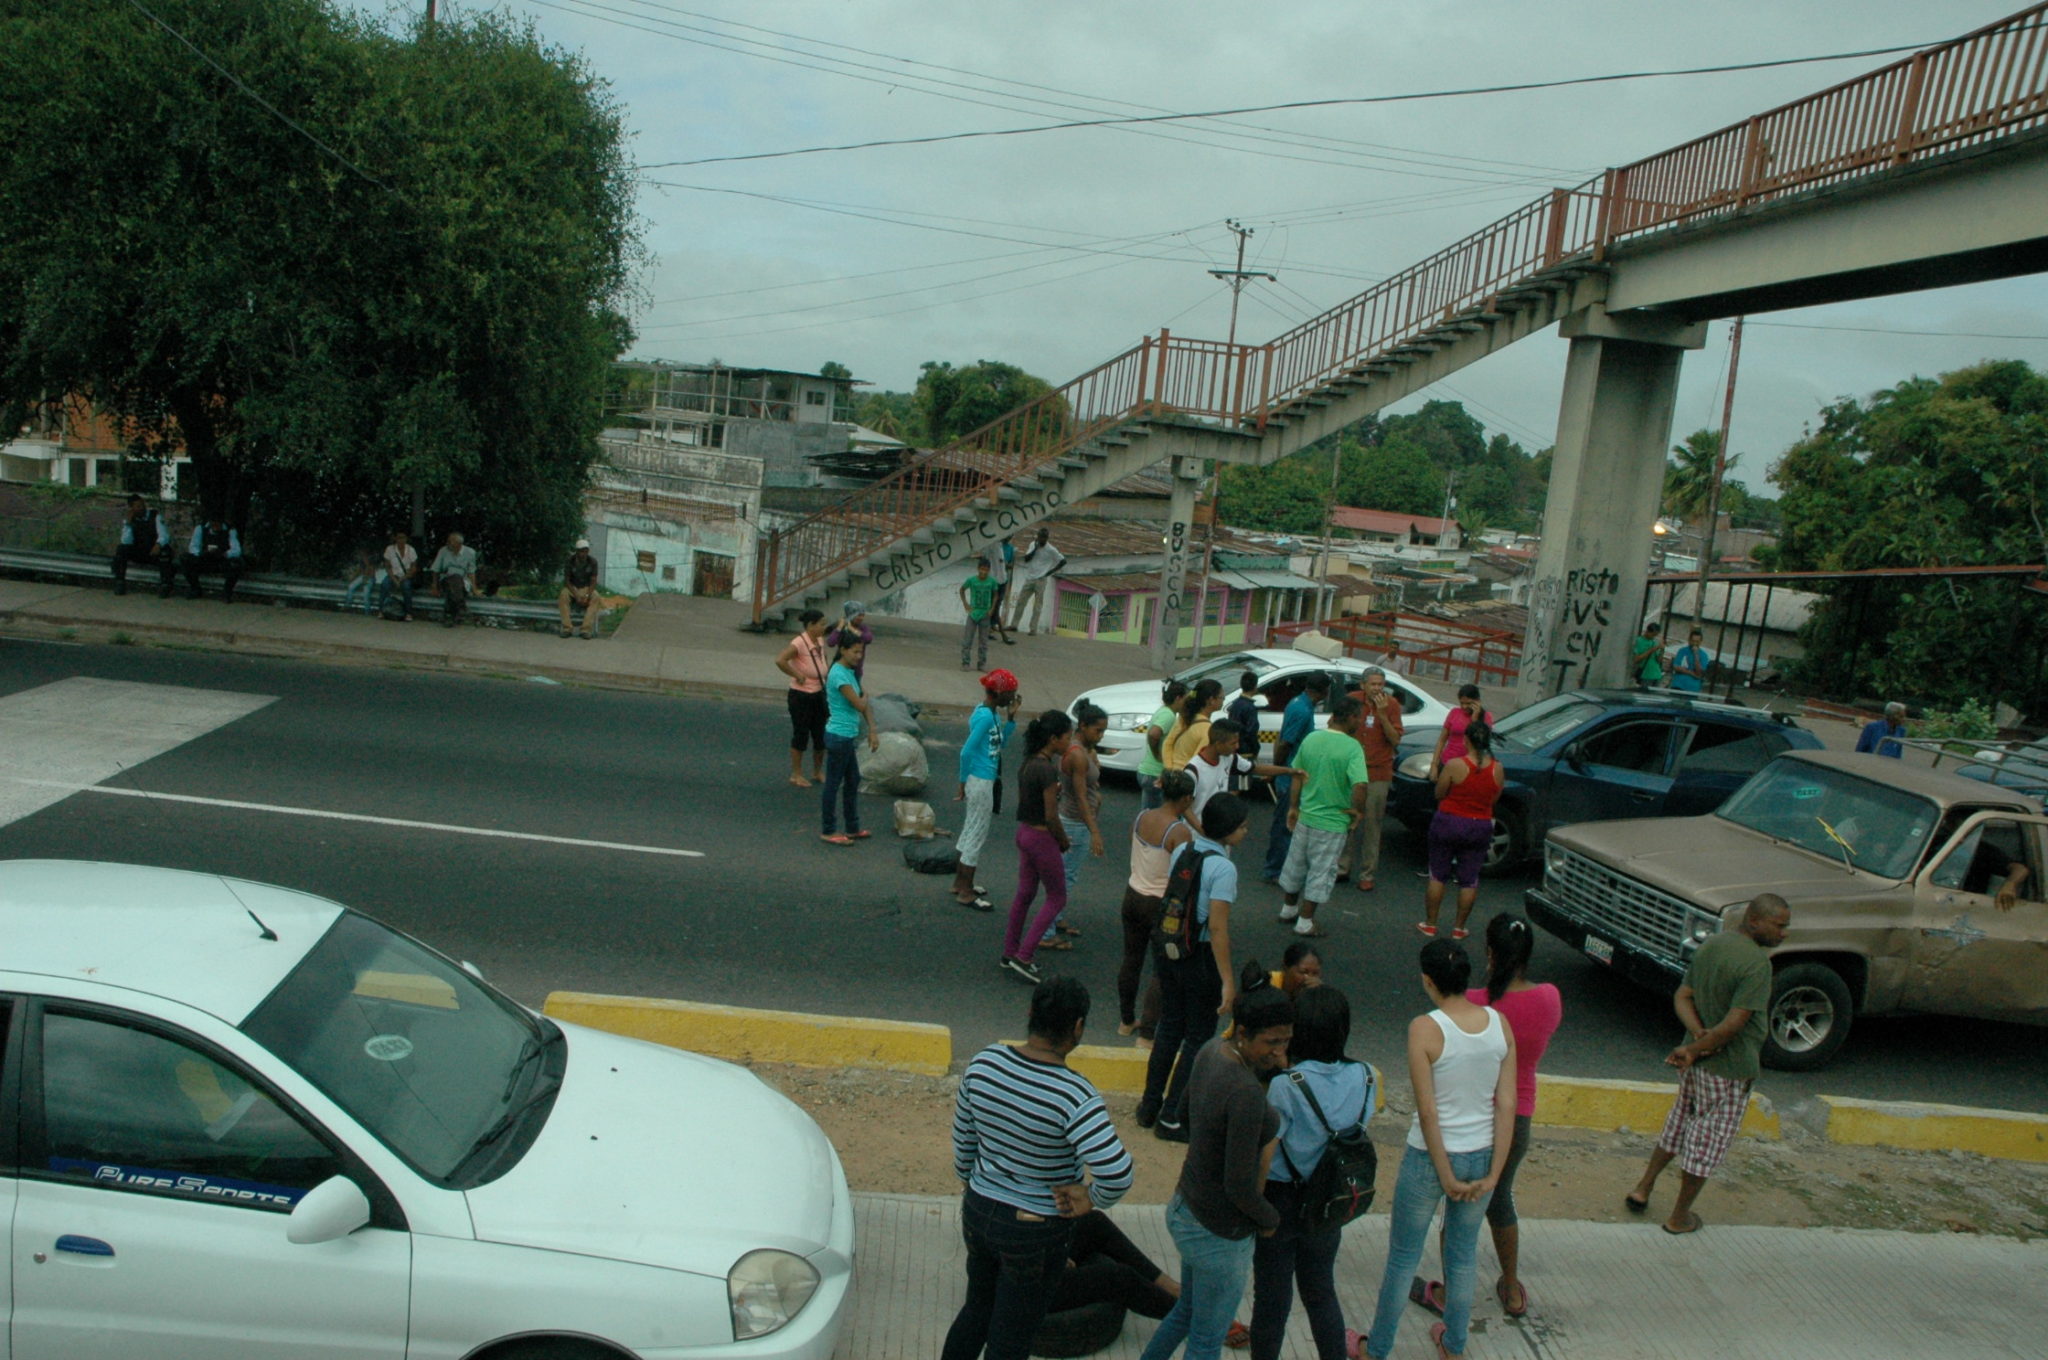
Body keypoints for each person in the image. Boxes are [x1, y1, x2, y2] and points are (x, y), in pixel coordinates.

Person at [942, 977, 1135, 1360]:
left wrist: (974, 1184)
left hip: (978, 1211)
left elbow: (964, 1144)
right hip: (1035, 1229)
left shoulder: (984, 1063)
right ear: (1077, 1027)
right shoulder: (1074, 1095)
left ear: (1031, 1014)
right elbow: (1117, 1172)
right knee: (1011, 1337)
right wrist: (1091, 1199)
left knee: (976, 1309)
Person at [1362, 941, 1515, 1360]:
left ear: (1428, 981)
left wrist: (1445, 1174)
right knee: (1463, 1256)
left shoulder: (1424, 1028)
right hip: (1482, 1154)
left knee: (1402, 1259)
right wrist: (1494, 1174)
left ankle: (1377, 1349)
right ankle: (1454, 1345)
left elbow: (1427, 1111)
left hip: (1430, 1158)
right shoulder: (1499, 1024)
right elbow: (1506, 1103)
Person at [1138, 964, 1292, 1360]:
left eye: (1286, 1042)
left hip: (1186, 1209)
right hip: (1219, 1234)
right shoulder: (1244, 1092)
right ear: (1243, 1034)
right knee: (1206, 1342)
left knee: (1185, 1312)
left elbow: (1185, 1116)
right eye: (1271, 1043)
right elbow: (1239, 1186)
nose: (1281, 1054)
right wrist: (1270, 1219)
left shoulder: (1210, 1050)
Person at [1627, 894, 1789, 1236]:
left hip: (1694, 1063)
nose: (1784, 933)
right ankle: (1679, 1217)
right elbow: (1734, 1025)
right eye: (1780, 925)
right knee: (1707, 1144)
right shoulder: (1758, 965)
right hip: (1729, 1069)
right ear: (1756, 921)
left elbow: (1682, 996)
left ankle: (1643, 1188)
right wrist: (1702, 1046)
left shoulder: (1712, 945)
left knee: (1677, 1125)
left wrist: (1694, 1041)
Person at [1251, 984, 1371, 1360]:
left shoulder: (1286, 1086)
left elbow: (1265, 1154)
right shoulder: (1365, 1076)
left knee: (1272, 1300)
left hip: (1282, 1198)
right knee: (1321, 1292)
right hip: (1331, 1196)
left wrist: (1255, 1210)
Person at [1137, 793, 1252, 1143]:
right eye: (1243, 826)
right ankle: (1172, 1116)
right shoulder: (1223, 868)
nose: (1246, 831)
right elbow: (1217, 928)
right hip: (1199, 956)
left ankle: (1148, 1106)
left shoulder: (1185, 851)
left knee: (1169, 1028)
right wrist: (1228, 981)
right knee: (1198, 1037)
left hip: (1170, 952)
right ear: (1229, 830)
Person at [1464, 915, 1561, 1321]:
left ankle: (1454, 1283)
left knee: (1462, 1200)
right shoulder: (1550, 998)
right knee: (1499, 1199)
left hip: (1471, 1116)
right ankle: (1510, 1282)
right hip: (1518, 1115)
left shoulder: (1472, 1003)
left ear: (1489, 953)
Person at [1277, 697, 1369, 941]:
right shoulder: (1353, 748)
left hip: (1306, 815)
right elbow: (1360, 785)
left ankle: (1288, 910)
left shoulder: (1312, 738)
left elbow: (1298, 774)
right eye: (1359, 717)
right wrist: (1357, 811)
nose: (1360, 722)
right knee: (1321, 870)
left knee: (1296, 862)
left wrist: (1294, 806)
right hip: (1333, 821)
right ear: (1350, 718)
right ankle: (1305, 922)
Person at [1121, 771, 1198, 1044]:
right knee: (1161, 968)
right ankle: (1147, 1033)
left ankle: (1126, 1020)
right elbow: (1183, 876)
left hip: (1132, 894)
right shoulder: (1179, 831)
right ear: (1187, 798)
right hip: (1158, 903)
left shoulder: (1142, 816)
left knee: (1131, 958)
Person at [1001, 710, 1076, 985]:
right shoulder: (1047, 770)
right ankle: (1025, 955)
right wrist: (1062, 839)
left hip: (1024, 833)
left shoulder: (1029, 763)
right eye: (1067, 737)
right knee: (1057, 897)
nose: (1069, 742)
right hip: (1043, 838)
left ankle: (1010, 951)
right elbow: (1051, 814)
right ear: (1054, 738)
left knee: (1025, 894)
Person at [1423, 720, 1502, 940]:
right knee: (1469, 878)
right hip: (1480, 824)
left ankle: (1430, 924)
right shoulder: (1497, 768)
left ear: (1466, 740)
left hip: (1449, 821)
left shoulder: (1456, 765)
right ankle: (1459, 927)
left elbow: (1439, 792)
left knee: (1438, 874)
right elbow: (1494, 798)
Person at [953, 668, 1021, 912]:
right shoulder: (984, 717)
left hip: (984, 779)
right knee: (977, 834)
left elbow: (999, 743)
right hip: (980, 781)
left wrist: (1011, 720)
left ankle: (959, 882)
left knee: (970, 828)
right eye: (1011, 694)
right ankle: (966, 891)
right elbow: (966, 751)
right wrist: (962, 783)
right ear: (999, 693)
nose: (1013, 698)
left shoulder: (991, 714)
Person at [1337, 668, 1405, 893]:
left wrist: (1383, 715)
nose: (1377, 688)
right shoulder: (1352, 702)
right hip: (1352, 772)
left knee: (1372, 825)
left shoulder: (1392, 705)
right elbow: (1338, 728)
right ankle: (1341, 867)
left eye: (1381, 684)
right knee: (1346, 820)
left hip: (1377, 773)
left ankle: (1367, 873)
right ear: (1363, 685)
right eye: (1373, 684)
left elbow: (1395, 740)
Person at [1047, 1210, 1179, 1322]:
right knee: (1119, 1277)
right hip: (1031, 1286)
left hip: (1036, 1252)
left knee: (1094, 1222)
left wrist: (1053, 1251)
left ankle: (1171, 1288)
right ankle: (1189, 1316)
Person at [1052, 701, 1109, 943]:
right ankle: (1047, 930)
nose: (1101, 735)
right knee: (1064, 877)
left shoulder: (1084, 750)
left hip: (1076, 821)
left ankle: (1057, 919)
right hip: (1075, 823)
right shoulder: (1076, 754)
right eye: (1097, 730)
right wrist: (1094, 831)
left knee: (1067, 875)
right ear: (1083, 726)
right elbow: (1081, 797)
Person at [1262, 674, 1327, 881]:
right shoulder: (1302, 710)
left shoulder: (1298, 703)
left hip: (1291, 773)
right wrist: (1277, 769)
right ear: (1323, 691)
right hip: (1290, 775)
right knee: (1284, 825)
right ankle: (1275, 871)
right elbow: (1286, 742)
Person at [819, 633, 879, 845]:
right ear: (842, 650)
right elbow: (860, 704)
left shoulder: (849, 672)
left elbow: (864, 703)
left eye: (860, 651)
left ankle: (852, 827)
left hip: (847, 736)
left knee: (852, 780)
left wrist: (872, 729)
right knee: (833, 785)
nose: (858, 655)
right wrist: (865, 697)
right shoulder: (838, 674)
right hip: (839, 737)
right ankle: (828, 830)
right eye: (855, 651)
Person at [1186, 719, 1299, 824]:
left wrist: (1290, 771)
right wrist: (1201, 831)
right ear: (1218, 744)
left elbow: (1256, 768)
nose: (1237, 746)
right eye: (1233, 743)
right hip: (1197, 836)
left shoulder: (1230, 758)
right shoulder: (1193, 770)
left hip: (1219, 832)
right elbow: (1184, 808)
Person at [775, 608, 832, 788]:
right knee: (801, 733)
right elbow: (780, 660)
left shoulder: (820, 641)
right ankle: (796, 774)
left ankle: (817, 771)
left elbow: (824, 659)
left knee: (820, 734)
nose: (824, 627)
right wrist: (797, 675)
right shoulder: (799, 643)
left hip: (819, 694)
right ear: (810, 625)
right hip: (801, 696)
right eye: (821, 624)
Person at [110, 495, 176, 598]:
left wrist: (158, 544)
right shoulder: (129, 521)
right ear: (132, 508)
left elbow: (164, 535)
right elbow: (126, 541)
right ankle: (120, 583)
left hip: (154, 550)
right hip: (140, 551)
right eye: (138, 506)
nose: (142, 508)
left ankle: (166, 585)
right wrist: (128, 524)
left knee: (165, 551)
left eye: (143, 505)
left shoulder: (155, 516)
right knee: (121, 549)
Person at [1140, 679, 1190, 809]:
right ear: (1178, 698)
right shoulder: (1169, 716)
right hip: (1155, 772)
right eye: (1186, 698)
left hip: (1148, 771)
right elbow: (1153, 734)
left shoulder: (1163, 711)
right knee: (1154, 815)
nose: (1187, 702)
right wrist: (1157, 753)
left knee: (1148, 812)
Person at [1010, 527, 1067, 636]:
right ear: (1038, 536)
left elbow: (1063, 561)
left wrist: (1049, 572)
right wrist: (1035, 549)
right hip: (1030, 578)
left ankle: (1033, 629)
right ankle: (1014, 625)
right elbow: (1026, 558)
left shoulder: (1051, 550)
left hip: (1041, 579)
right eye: (1040, 537)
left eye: (1044, 537)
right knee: (1021, 601)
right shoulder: (1032, 545)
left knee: (1037, 605)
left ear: (1047, 538)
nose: (1042, 539)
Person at [1428, 686, 1492, 780]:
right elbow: (1442, 740)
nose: (1464, 707)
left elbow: (1481, 742)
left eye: (1468, 703)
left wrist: (1475, 719)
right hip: (1447, 761)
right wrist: (1434, 764)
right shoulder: (1454, 712)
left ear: (1477, 701)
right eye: (1461, 703)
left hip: (1469, 766)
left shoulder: (1486, 717)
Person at [1164, 679, 1226, 773]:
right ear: (1211, 700)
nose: (1223, 700)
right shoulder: (1208, 730)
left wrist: (1169, 769)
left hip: (1172, 775)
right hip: (1186, 780)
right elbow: (1198, 762)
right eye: (1222, 698)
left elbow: (1167, 744)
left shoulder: (1183, 718)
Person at [180, 519, 244, 602]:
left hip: (222, 561)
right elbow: (193, 547)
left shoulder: (230, 530)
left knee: (236, 564)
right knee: (185, 559)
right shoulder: (201, 528)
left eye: (217, 522)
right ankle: (195, 589)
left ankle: (227, 592)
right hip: (205, 560)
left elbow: (237, 550)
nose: (215, 525)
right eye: (213, 522)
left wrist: (224, 554)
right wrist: (201, 553)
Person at [1224, 672, 1263, 793]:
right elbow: (1251, 731)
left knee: (1233, 783)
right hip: (1245, 752)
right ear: (1255, 687)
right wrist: (1255, 749)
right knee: (1239, 786)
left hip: (1234, 749)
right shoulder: (1250, 708)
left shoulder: (1235, 704)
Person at [959, 557, 1000, 670]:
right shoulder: (972, 580)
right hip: (973, 613)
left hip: (985, 614)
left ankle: (981, 663)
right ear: (978, 569)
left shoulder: (992, 581)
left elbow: (996, 595)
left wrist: (992, 608)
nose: (983, 572)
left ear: (989, 570)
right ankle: (965, 662)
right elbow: (962, 589)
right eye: (981, 569)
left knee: (983, 641)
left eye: (986, 570)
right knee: (968, 639)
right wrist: (965, 604)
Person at [429, 531, 477, 627]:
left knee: (455, 584)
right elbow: (436, 569)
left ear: (458, 543)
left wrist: (474, 588)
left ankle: (450, 615)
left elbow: (471, 571)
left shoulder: (470, 552)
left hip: (463, 580)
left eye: (450, 541)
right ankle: (461, 607)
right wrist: (434, 586)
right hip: (446, 578)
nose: (448, 543)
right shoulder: (443, 551)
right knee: (454, 579)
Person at [559, 538, 602, 639]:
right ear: (577, 552)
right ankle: (567, 628)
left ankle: (585, 629)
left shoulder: (593, 562)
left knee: (596, 597)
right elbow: (567, 581)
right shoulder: (570, 561)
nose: (583, 554)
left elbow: (593, 580)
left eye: (585, 551)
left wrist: (587, 595)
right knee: (563, 596)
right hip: (572, 588)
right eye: (581, 551)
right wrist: (576, 595)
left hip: (586, 588)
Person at [826, 601, 874, 679]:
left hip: (856, 670)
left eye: (863, 615)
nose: (861, 618)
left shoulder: (863, 628)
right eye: (858, 615)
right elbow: (830, 642)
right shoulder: (842, 628)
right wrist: (839, 627)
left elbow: (868, 638)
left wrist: (852, 629)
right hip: (841, 668)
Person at [379, 529, 419, 621]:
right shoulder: (390, 549)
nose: (401, 540)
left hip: (406, 576)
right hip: (393, 575)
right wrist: (394, 579)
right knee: (385, 584)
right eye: (399, 538)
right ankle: (381, 610)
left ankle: (408, 613)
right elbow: (388, 567)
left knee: (406, 587)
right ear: (395, 539)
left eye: (403, 538)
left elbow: (413, 568)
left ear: (406, 539)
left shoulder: (411, 550)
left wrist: (402, 579)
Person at [985, 538, 1017, 646]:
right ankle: (1002, 634)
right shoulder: (992, 545)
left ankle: (990, 630)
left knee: (994, 607)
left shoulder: (1001, 546)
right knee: (994, 607)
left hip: (1001, 580)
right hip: (995, 581)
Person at [341, 547, 384, 616]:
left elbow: (371, 573)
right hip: (362, 576)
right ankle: (347, 605)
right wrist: (353, 578)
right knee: (351, 587)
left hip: (370, 578)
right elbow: (359, 571)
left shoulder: (371, 561)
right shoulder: (361, 561)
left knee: (366, 593)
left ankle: (367, 610)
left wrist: (366, 576)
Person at [1670, 627, 1712, 694]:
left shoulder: (1703, 655)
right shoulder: (1682, 651)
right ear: (1689, 640)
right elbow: (1676, 666)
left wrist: (1696, 655)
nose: (1694, 643)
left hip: (1692, 688)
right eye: (1693, 641)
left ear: (1701, 642)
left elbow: (1699, 673)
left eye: (1697, 642)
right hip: (1678, 685)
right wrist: (1691, 673)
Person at [1630, 620, 1665, 689]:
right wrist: (1651, 650)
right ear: (1648, 631)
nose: (1653, 637)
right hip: (1645, 674)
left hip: (1656, 674)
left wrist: (1662, 650)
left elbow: (1658, 660)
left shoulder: (1654, 642)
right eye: (1653, 635)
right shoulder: (1640, 641)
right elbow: (1636, 659)